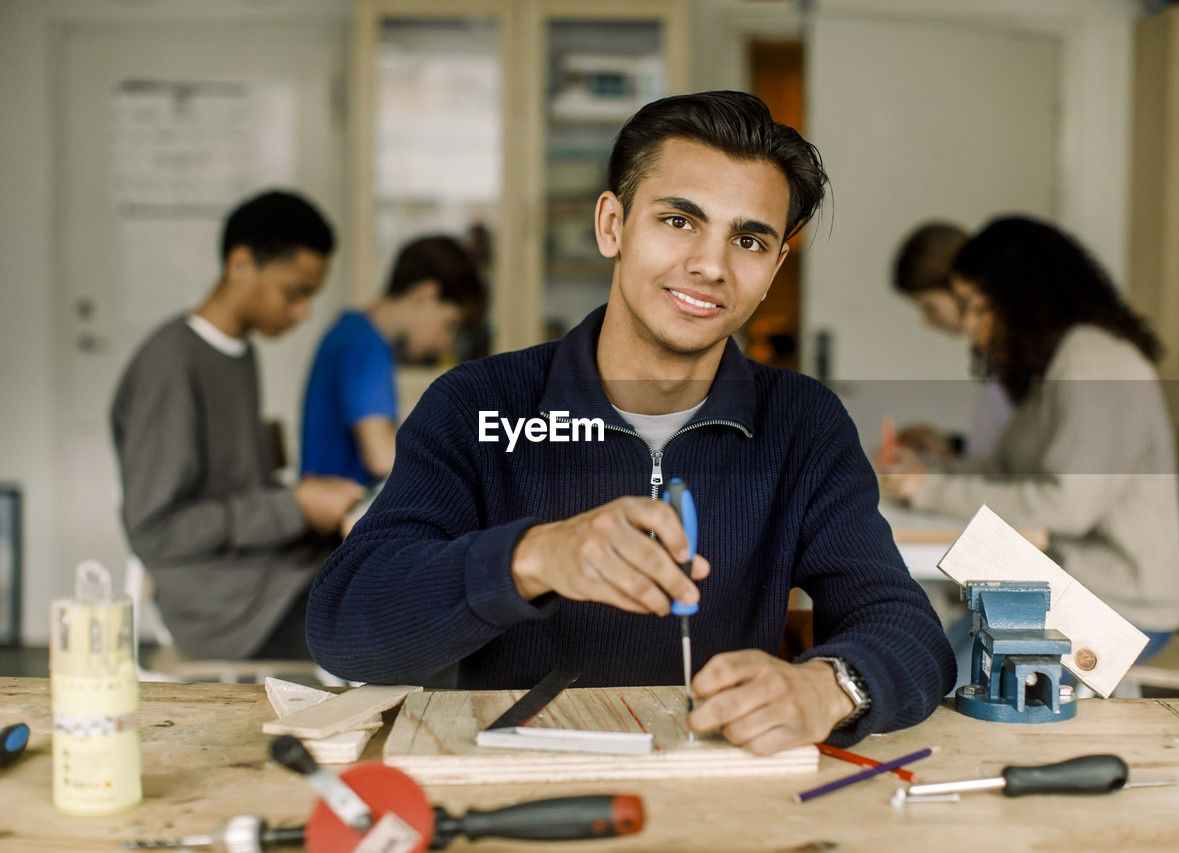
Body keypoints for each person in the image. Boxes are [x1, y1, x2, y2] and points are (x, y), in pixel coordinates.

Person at [307, 90, 954, 754]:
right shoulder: (475, 405)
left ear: (773, 269)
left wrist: (826, 688)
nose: (710, 264)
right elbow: (347, 623)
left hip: (724, 793)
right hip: (519, 793)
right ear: (612, 225)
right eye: (678, 221)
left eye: (750, 238)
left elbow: (906, 627)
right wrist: (535, 557)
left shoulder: (803, 423)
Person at [880, 215, 1179, 662]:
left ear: (1017, 299)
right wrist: (929, 473)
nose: (967, 324)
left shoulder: (1091, 360)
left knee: (942, 670)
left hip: (1120, 608)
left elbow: (1066, 507)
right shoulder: (1054, 361)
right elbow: (1007, 469)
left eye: (975, 305)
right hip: (1071, 587)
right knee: (929, 653)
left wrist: (930, 488)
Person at [111, 190, 365, 661]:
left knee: (408, 574)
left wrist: (305, 500)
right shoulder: (170, 365)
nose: (302, 312)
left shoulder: (239, 354)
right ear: (241, 262)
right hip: (229, 610)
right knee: (417, 619)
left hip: (271, 575)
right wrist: (294, 508)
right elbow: (156, 530)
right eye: (295, 292)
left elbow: (233, 488)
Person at [300, 236, 486, 486]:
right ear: (425, 294)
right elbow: (381, 456)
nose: (445, 343)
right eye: (450, 325)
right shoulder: (366, 344)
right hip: (341, 517)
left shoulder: (351, 330)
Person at [889, 221, 1011, 459]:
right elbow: (997, 448)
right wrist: (948, 446)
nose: (926, 321)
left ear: (962, 288)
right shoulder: (991, 355)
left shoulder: (1021, 354)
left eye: (929, 307)